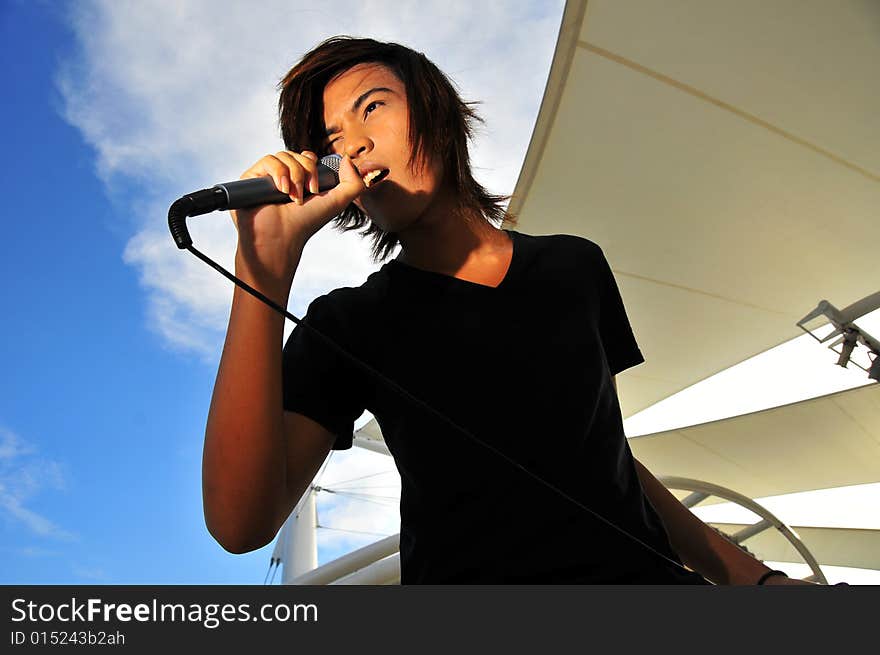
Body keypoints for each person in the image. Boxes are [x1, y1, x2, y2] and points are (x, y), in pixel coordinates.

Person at [202, 36, 811, 585]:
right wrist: (264, 265)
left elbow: (606, 456)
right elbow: (239, 524)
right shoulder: (348, 323)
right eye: (332, 141)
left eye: (372, 107)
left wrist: (750, 579)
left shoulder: (576, 267)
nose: (354, 143)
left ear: (439, 113)